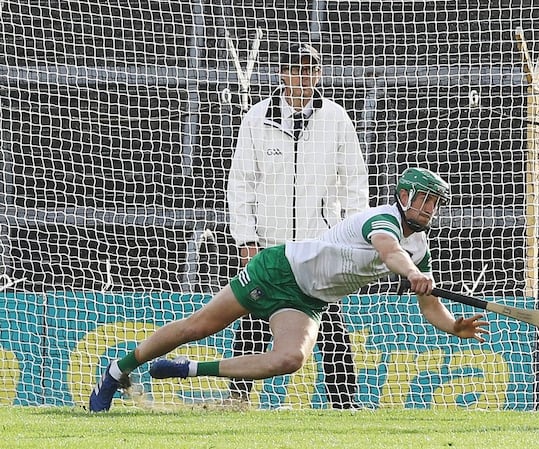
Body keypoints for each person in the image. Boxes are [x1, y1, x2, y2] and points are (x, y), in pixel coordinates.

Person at [88, 167, 490, 413]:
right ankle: (117, 370)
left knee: (291, 359)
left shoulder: (420, 246)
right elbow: (389, 252)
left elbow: (430, 305)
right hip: (279, 269)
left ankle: (185, 370)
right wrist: (409, 271)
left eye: (436, 204)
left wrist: (453, 326)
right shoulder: (382, 219)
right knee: (199, 326)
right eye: (426, 200)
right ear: (404, 197)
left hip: (308, 299)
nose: (430, 210)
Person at [226, 42, 368, 409]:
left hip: (321, 246)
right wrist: (246, 239)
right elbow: (241, 182)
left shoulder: (336, 117)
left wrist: (357, 237)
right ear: (282, 73)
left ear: (319, 73)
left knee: (332, 328)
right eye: (297, 69)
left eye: (311, 69)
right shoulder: (256, 118)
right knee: (253, 322)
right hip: (271, 246)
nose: (304, 76)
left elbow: (354, 180)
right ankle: (238, 398)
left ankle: (344, 404)